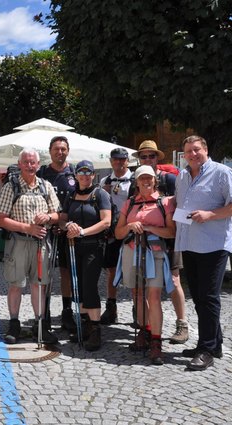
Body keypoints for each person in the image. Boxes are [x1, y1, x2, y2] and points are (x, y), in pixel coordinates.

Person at [175, 135, 232, 371]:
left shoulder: (222, 172)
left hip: (214, 245)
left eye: (196, 150)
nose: (193, 154)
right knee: (198, 297)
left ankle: (206, 349)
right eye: (188, 151)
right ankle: (214, 343)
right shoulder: (183, 176)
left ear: (205, 149)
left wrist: (210, 214)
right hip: (190, 243)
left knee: (208, 297)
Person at [0, 148, 60, 345]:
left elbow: (58, 214)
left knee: (38, 285)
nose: (30, 166)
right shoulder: (11, 187)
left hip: (41, 243)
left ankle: (39, 325)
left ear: (38, 165)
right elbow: (1, 219)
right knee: (15, 284)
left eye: (33, 162)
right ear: (20, 164)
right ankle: (14, 324)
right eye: (26, 162)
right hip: (18, 242)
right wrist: (28, 228)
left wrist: (49, 217)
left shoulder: (46, 186)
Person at [114, 165, 176, 365]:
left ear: (155, 180)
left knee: (154, 295)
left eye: (149, 178)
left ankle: (156, 341)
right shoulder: (130, 202)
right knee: (137, 294)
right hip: (132, 251)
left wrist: (149, 227)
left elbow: (171, 232)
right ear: (137, 182)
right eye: (142, 179)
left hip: (155, 253)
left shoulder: (164, 202)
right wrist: (130, 226)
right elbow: (118, 233)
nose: (146, 181)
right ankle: (145, 331)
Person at [132, 140, 189, 344]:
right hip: (146, 242)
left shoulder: (169, 179)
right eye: (143, 156)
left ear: (157, 157)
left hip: (170, 236)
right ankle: (147, 326)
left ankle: (182, 324)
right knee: (147, 285)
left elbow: (182, 204)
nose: (147, 159)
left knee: (174, 280)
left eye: (151, 155)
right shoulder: (136, 180)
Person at [59, 160, 111, 351]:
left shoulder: (100, 194)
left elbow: (106, 222)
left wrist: (82, 232)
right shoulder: (71, 195)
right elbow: (63, 220)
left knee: (89, 287)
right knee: (78, 287)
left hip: (92, 246)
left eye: (88, 172)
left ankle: (95, 329)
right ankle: (85, 326)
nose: (85, 175)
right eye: (81, 172)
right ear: (76, 175)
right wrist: (68, 226)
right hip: (73, 247)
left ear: (93, 175)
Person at [37, 136, 77, 333]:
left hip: (67, 230)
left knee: (66, 272)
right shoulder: (42, 173)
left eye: (63, 149)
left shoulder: (75, 173)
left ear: (68, 151)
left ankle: (67, 311)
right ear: (50, 151)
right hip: (47, 230)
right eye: (56, 149)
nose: (59, 152)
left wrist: (66, 223)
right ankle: (44, 313)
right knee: (45, 271)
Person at [99, 148, 134, 324]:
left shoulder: (135, 180)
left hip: (130, 230)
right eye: (116, 159)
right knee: (111, 269)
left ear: (127, 161)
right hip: (111, 231)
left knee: (135, 269)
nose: (119, 162)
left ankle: (138, 309)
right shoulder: (104, 180)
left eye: (122, 159)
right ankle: (111, 307)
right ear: (111, 161)